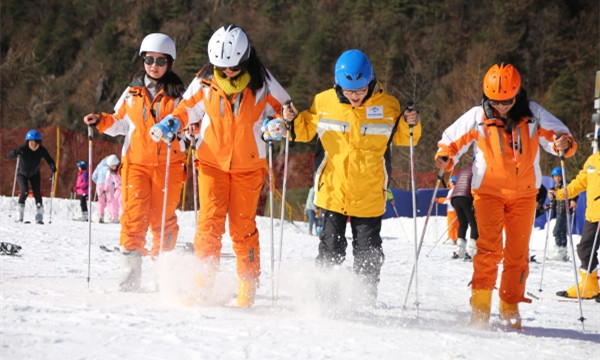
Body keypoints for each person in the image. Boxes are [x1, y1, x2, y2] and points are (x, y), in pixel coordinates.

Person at [435, 63, 577, 329]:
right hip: (488, 193)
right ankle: (480, 309)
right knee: (488, 251)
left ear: (517, 93)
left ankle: (510, 306)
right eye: (495, 101)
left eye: (508, 101)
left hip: (524, 195)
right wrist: (445, 157)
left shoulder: (534, 114)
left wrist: (563, 144)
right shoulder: (478, 116)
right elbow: (451, 141)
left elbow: (560, 137)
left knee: (518, 254)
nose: (501, 106)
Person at [282, 49, 421, 304]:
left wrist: (411, 122)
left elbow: (403, 137)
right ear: (337, 86)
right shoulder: (323, 102)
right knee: (330, 250)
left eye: (360, 90)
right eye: (349, 91)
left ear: (370, 81)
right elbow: (303, 130)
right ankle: (325, 300)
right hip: (333, 191)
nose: (355, 97)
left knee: (368, 252)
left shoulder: (388, 105)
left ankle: (364, 300)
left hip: (369, 194)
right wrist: (291, 120)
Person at [168, 25, 291, 307]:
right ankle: (203, 286)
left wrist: (278, 126)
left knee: (242, 228)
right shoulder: (205, 81)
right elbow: (186, 109)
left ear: (246, 57)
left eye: (234, 67)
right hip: (211, 164)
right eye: (222, 67)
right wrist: (173, 122)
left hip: (249, 166)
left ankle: (247, 289)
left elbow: (285, 111)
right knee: (208, 227)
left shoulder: (262, 82)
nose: (228, 72)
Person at [82, 33, 187, 291]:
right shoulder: (132, 92)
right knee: (133, 217)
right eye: (149, 59)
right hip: (136, 165)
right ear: (143, 60)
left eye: (161, 61)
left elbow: (191, 122)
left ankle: (165, 275)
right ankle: (131, 276)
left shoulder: (180, 94)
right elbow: (120, 122)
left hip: (169, 166)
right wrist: (101, 120)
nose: (154, 65)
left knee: (162, 219)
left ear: (169, 63)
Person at [552, 151, 599, 299]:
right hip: (593, 215)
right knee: (585, 249)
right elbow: (580, 182)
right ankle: (589, 286)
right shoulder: (593, 160)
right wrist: (561, 193)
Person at [7, 130, 56, 224]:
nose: (34, 144)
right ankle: (19, 215)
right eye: (32, 142)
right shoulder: (23, 149)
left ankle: (39, 217)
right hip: (22, 174)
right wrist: (15, 152)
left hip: (34, 174)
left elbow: (49, 159)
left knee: (37, 193)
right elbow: (9, 155)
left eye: (36, 142)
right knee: (24, 191)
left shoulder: (41, 150)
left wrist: (52, 166)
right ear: (28, 141)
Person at [547, 166, 577, 261]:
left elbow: (574, 193)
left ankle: (561, 250)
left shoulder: (566, 185)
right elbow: (554, 199)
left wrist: (573, 200)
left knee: (557, 230)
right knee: (561, 230)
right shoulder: (555, 187)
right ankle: (562, 251)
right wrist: (550, 202)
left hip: (565, 210)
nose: (557, 178)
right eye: (555, 176)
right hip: (558, 210)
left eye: (559, 176)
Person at [450, 165, 479, 260]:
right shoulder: (478, 169)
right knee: (474, 224)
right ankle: (472, 249)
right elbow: (477, 186)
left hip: (455, 198)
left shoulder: (464, 169)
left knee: (463, 223)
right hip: (466, 197)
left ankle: (460, 249)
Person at [436, 176, 459, 244]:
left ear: (453, 182)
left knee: (451, 225)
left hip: (451, 210)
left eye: (450, 182)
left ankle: (452, 238)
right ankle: (456, 238)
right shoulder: (457, 190)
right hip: (457, 210)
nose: (449, 183)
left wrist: (439, 200)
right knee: (456, 225)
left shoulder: (452, 191)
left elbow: (448, 200)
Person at [92, 156, 110, 223]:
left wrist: (98, 182)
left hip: (99, 185)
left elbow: (93, 176)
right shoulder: (111, 166)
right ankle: (111, 216)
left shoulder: (99, 166)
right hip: (108, 185)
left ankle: (100, 216)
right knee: (109, 200)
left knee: (101, 201)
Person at [104, 154, 122, 223]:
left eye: (112, 166)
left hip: (124, 189)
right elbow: (107, 180)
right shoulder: (111, 172)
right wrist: (106, 187)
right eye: (110, 166)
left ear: (116, 164)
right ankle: (114, 217)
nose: (111, 167)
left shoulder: (121, 170)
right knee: (113, 201)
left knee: (121, 201)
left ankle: (124, 217)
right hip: (118, 189)